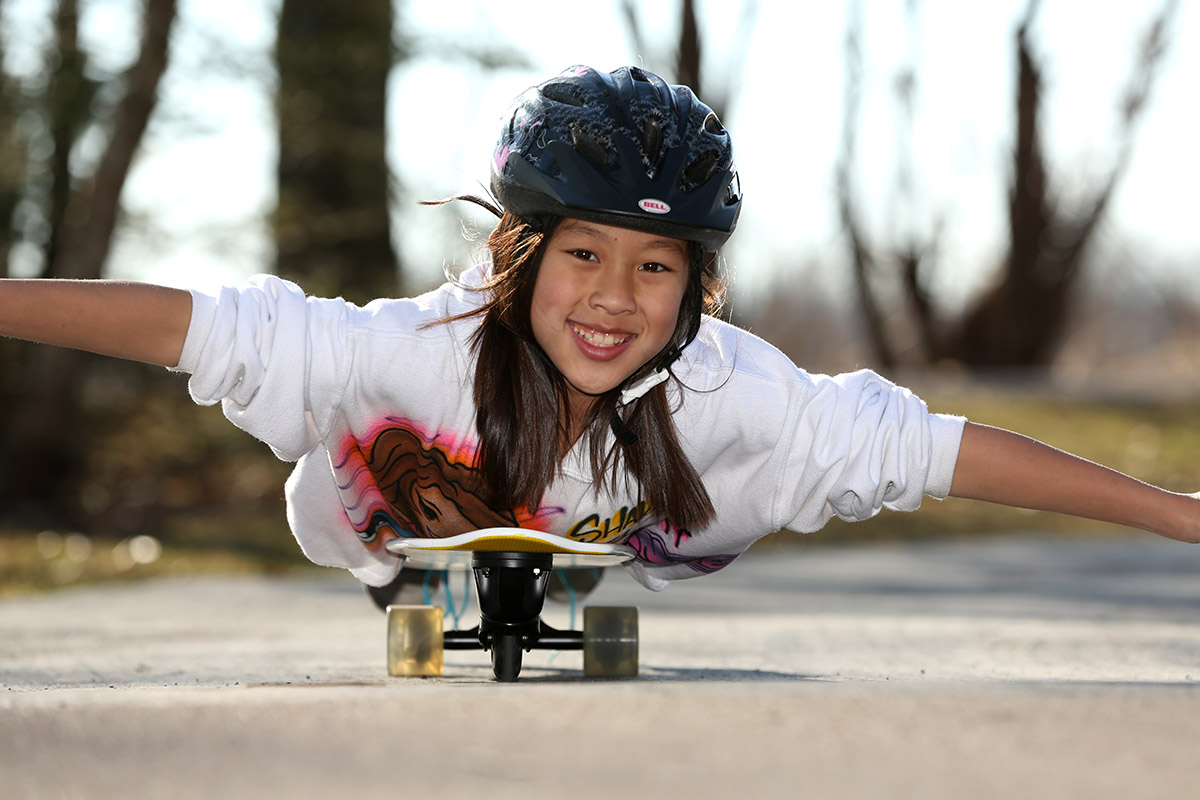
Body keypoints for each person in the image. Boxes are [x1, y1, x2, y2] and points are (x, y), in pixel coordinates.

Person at [0, 65, 1196, 604]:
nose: (616, 297)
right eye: (584, 253)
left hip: (620, 540)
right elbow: (192, 327)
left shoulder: (740, 395)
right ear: (518, 256)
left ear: (697, 284)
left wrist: (1179, 514)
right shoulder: (406, 353)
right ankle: (410, 579)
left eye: (655, 265)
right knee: (342, 494)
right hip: (377, 528)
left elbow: (940, 449)